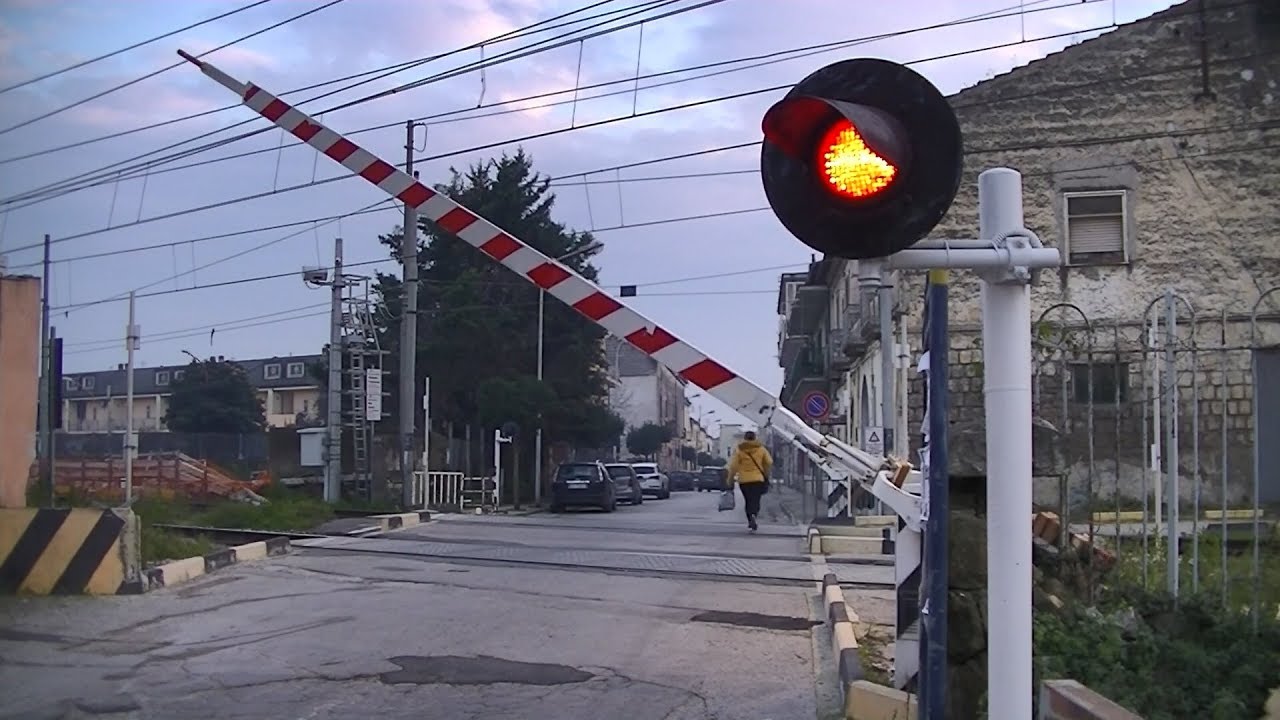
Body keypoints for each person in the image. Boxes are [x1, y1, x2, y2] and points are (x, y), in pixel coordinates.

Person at [725, 430, 773, 532]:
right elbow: (769, 462)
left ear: (745, 438)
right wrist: (766, 473)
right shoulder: (761, 449)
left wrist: (730, 479)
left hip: (744, 480)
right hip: (758, 479)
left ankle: (750, 517)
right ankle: (754, 514)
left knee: (748, 500)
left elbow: (733, 466)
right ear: (755, 438)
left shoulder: (739, 450)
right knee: (756, 500)